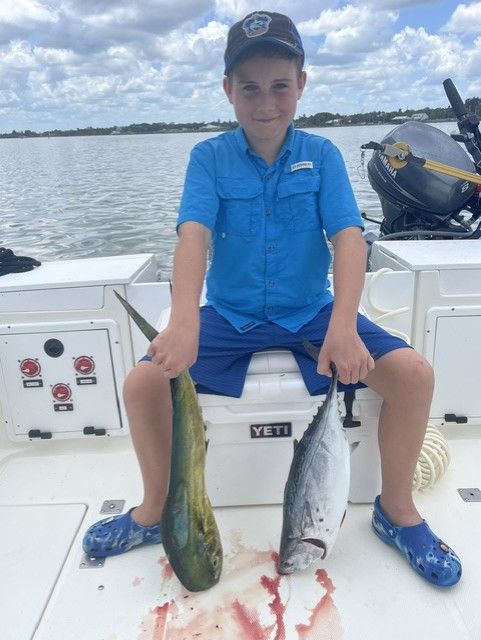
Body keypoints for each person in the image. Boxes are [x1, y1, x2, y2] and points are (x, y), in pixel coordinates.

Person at [83, 10, 462, 587]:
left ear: (301, 84)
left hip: (309, 312)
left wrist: (344, 324)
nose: (266, 102)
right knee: (140, 385)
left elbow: (349, 238)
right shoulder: (207, 158)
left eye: (280, 86)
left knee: (413, 375)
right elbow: (193, 236)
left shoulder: (324, 156)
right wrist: (184, 319)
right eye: (250, 88)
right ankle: (155, 510)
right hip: (229, 317)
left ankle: (396, 511)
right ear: (228, 90)